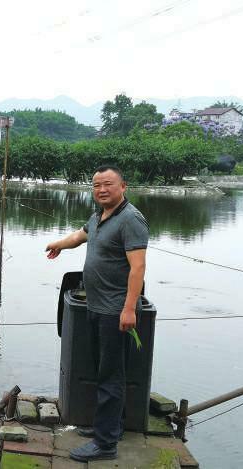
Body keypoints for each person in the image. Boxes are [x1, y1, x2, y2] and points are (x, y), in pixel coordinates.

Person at [45, 165, 148, 462]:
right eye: (96, 185)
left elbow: (138, 267)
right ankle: (109, 427)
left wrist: (129, 309)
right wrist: (59, 246)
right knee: (102, 370)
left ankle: (105, 444)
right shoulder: (99, 216)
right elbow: (80, 236)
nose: (102, 190)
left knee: (111, 376)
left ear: (123, 186)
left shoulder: (131, 220)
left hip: (115, 311)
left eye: (108, 185)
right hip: (95, 306)